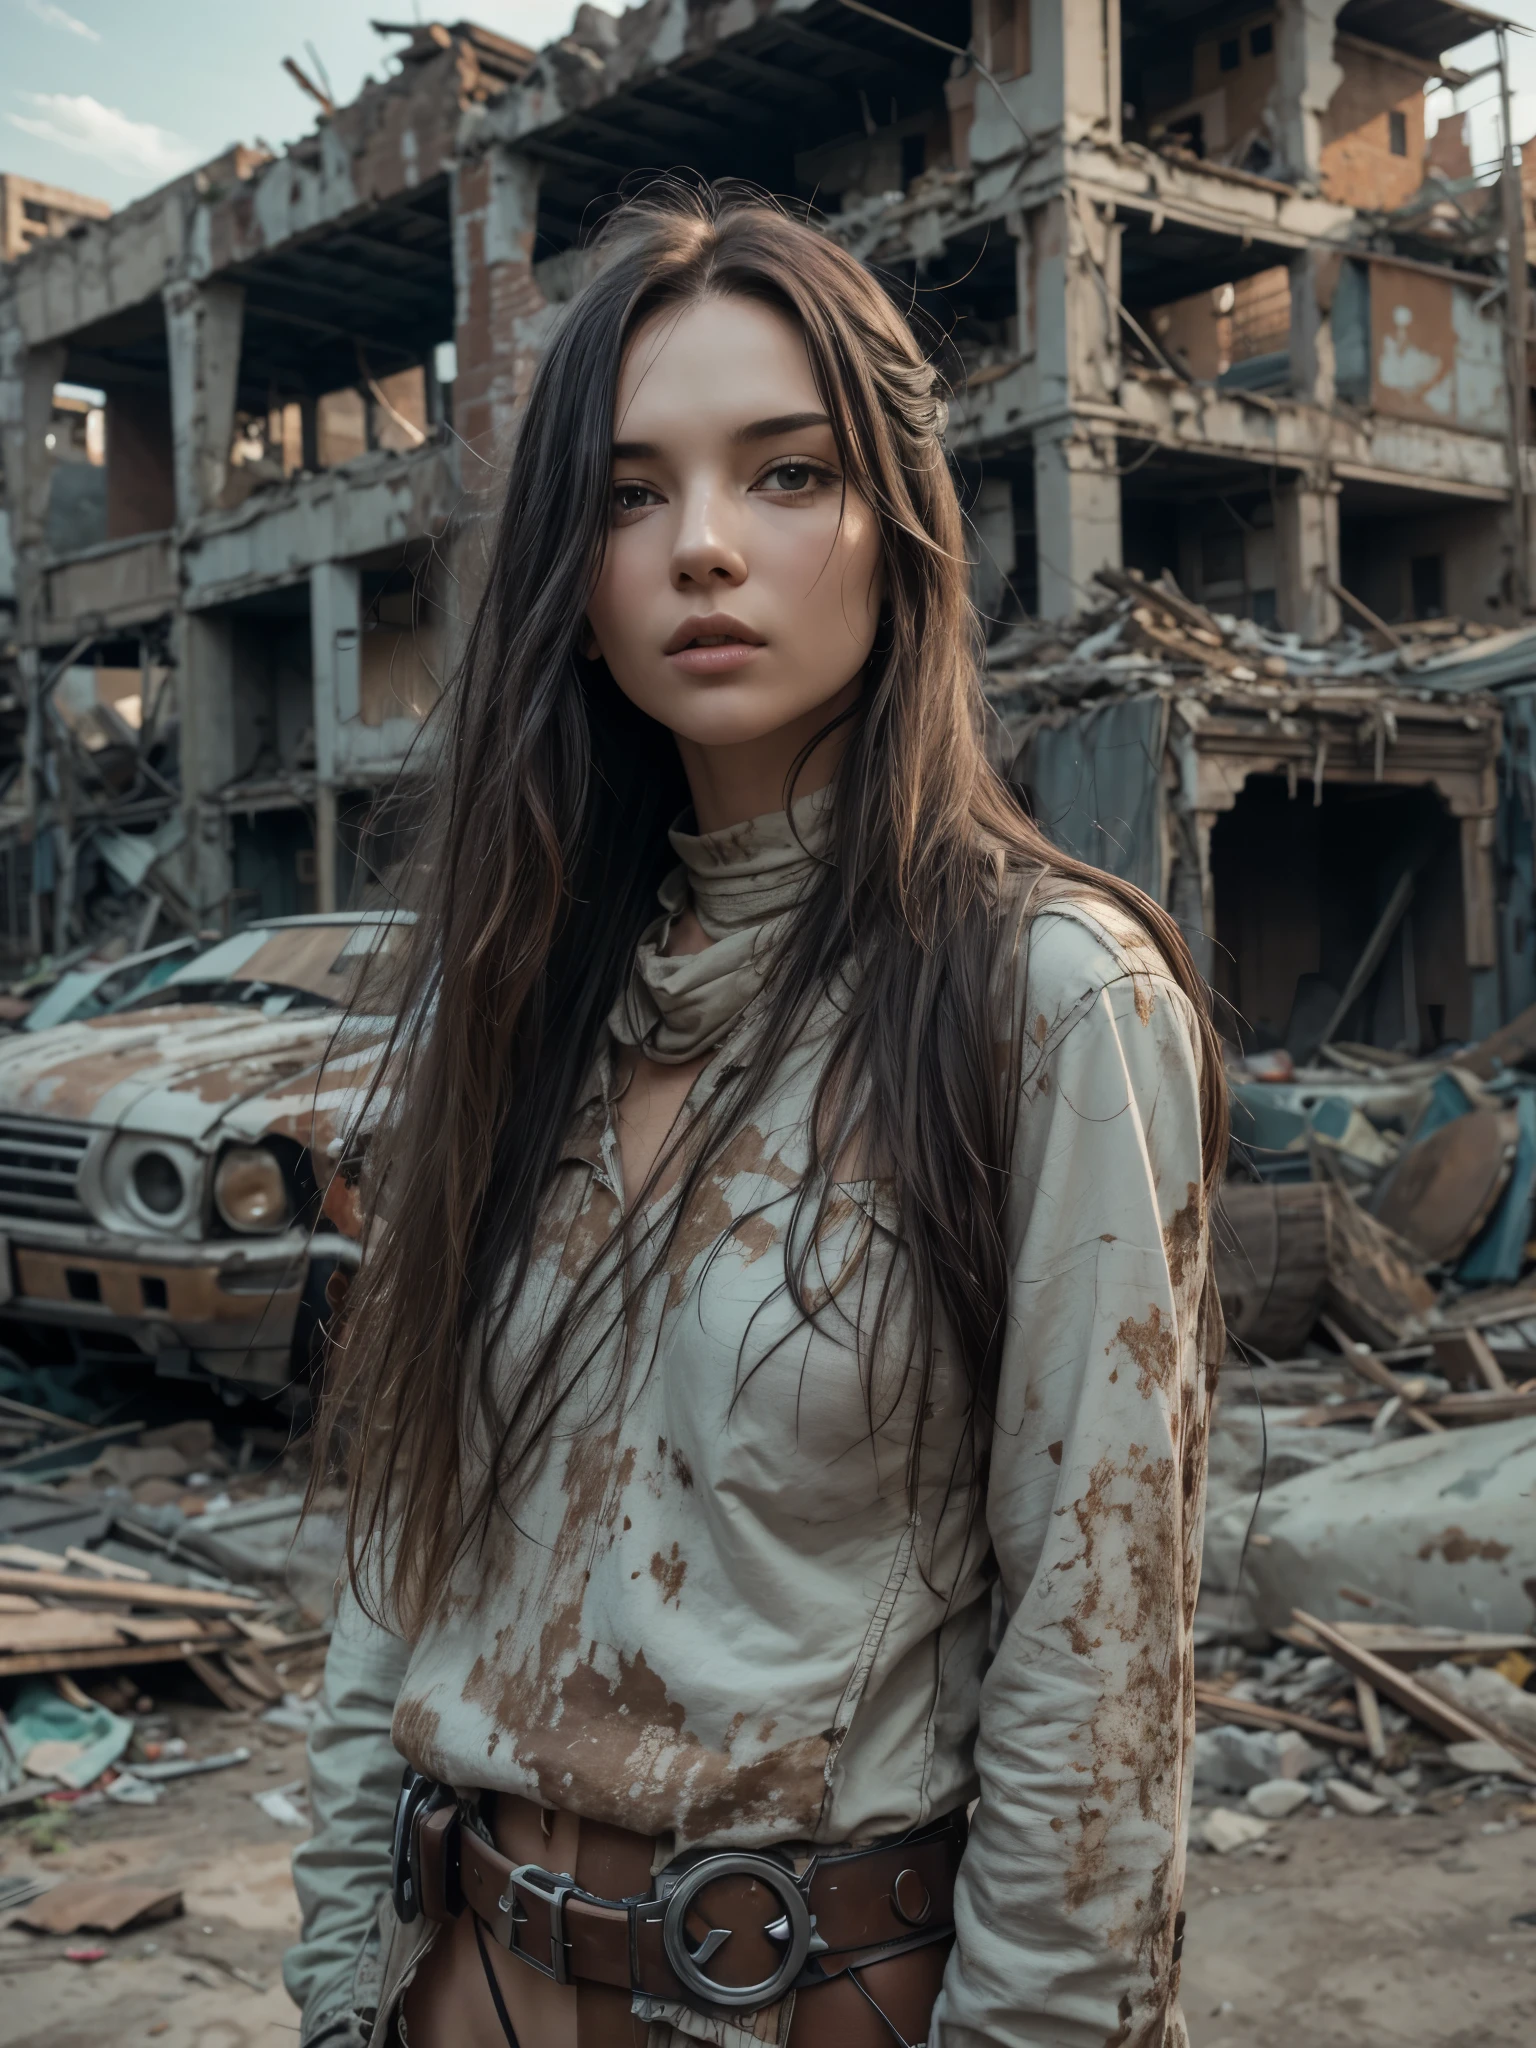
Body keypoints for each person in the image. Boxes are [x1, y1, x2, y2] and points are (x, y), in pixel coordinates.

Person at [285, 184, 1227, 2048]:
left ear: (902, 532)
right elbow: (409, 1572)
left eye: (785, 474)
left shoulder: (1044, 995)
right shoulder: (527, 990)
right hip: (454, 1983)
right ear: (572, 566)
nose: (702, 547)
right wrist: (337, 1986)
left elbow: (1100, 1659)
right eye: (631, 495)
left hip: (805, 1996)